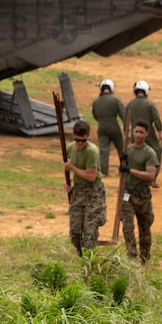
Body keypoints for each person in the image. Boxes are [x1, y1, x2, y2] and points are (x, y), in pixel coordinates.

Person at [63, 120, 106, 257]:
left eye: (83, 140)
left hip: (93, 192)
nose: (79, 143)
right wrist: (69, 184)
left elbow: (91, 176)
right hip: (78, 191)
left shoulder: (92, 151)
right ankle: (81, 255)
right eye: (77, 140)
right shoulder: (70, 148)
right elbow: (67, 167)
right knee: (75, 232)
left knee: (89, 233)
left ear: (87, 137)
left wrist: (73, 169)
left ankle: (89, 261)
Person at [119, 120, 158, 265]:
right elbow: (122, 171)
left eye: (141, 132)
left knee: (145, 228)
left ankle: (145, 259)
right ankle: (132, 256)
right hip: (127, 193)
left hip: (142, 195)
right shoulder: (127, 149)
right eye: (136, 131)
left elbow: (150, 175)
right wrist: (122, 163)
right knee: (127, 226)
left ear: (146, 134)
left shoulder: (149, 153)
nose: (138, 135)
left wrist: (130, 170)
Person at [124, 80, 162, 187]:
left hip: (134, 132)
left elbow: (126, 121)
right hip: (148, 132)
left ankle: (135, 177)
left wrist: (127, 133)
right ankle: (152, 178)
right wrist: (160, 132)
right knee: (156, 152)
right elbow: (156, 118)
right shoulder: (150, 104)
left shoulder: (130, 104)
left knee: (135, 154)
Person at [91, 78, 126, 176]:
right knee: (121, 148)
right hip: (113, 125)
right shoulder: (115, 100)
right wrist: (127, 126)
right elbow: (123, 114)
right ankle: (123, 169)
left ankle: (104, 171)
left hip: (101, 126)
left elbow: (95, 115)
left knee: (104, 150)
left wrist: (102, 121)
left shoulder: (96, 101)